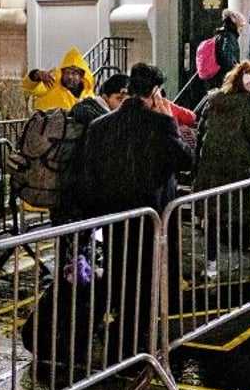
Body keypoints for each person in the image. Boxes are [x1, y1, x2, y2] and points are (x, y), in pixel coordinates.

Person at [77, 63, 194, 359]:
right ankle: (134, 342)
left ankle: (120, 333)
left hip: (113, 214)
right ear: (155, 93)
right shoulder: (159, 126)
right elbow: (186, 161)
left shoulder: (100, 125)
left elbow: (89, 173)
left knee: (119, 270)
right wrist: (169, 123)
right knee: (146, 279)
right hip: (150, 215)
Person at [194, 61, 250, 278]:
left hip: (212, 168)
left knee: (213, 217)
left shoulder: (214, 99)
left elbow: (201, 128)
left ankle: (212, 265)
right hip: (242, 169)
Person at [21, 46, 95, 111]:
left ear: (81, 76)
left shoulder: (89, 96)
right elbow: (28, 87)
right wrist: (37, 74)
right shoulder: (51, 84)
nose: (69, 76)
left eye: (74, 73)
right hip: (48, 126)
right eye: (66, 72)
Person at [204, 8, 246, 91]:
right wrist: (236, 73)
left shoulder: (220, 35)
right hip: (223, 78)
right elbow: (228, 59)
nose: (242, 30)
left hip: (216, 77)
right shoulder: (229, 38)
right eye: (241, 25)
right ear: (234, 24)